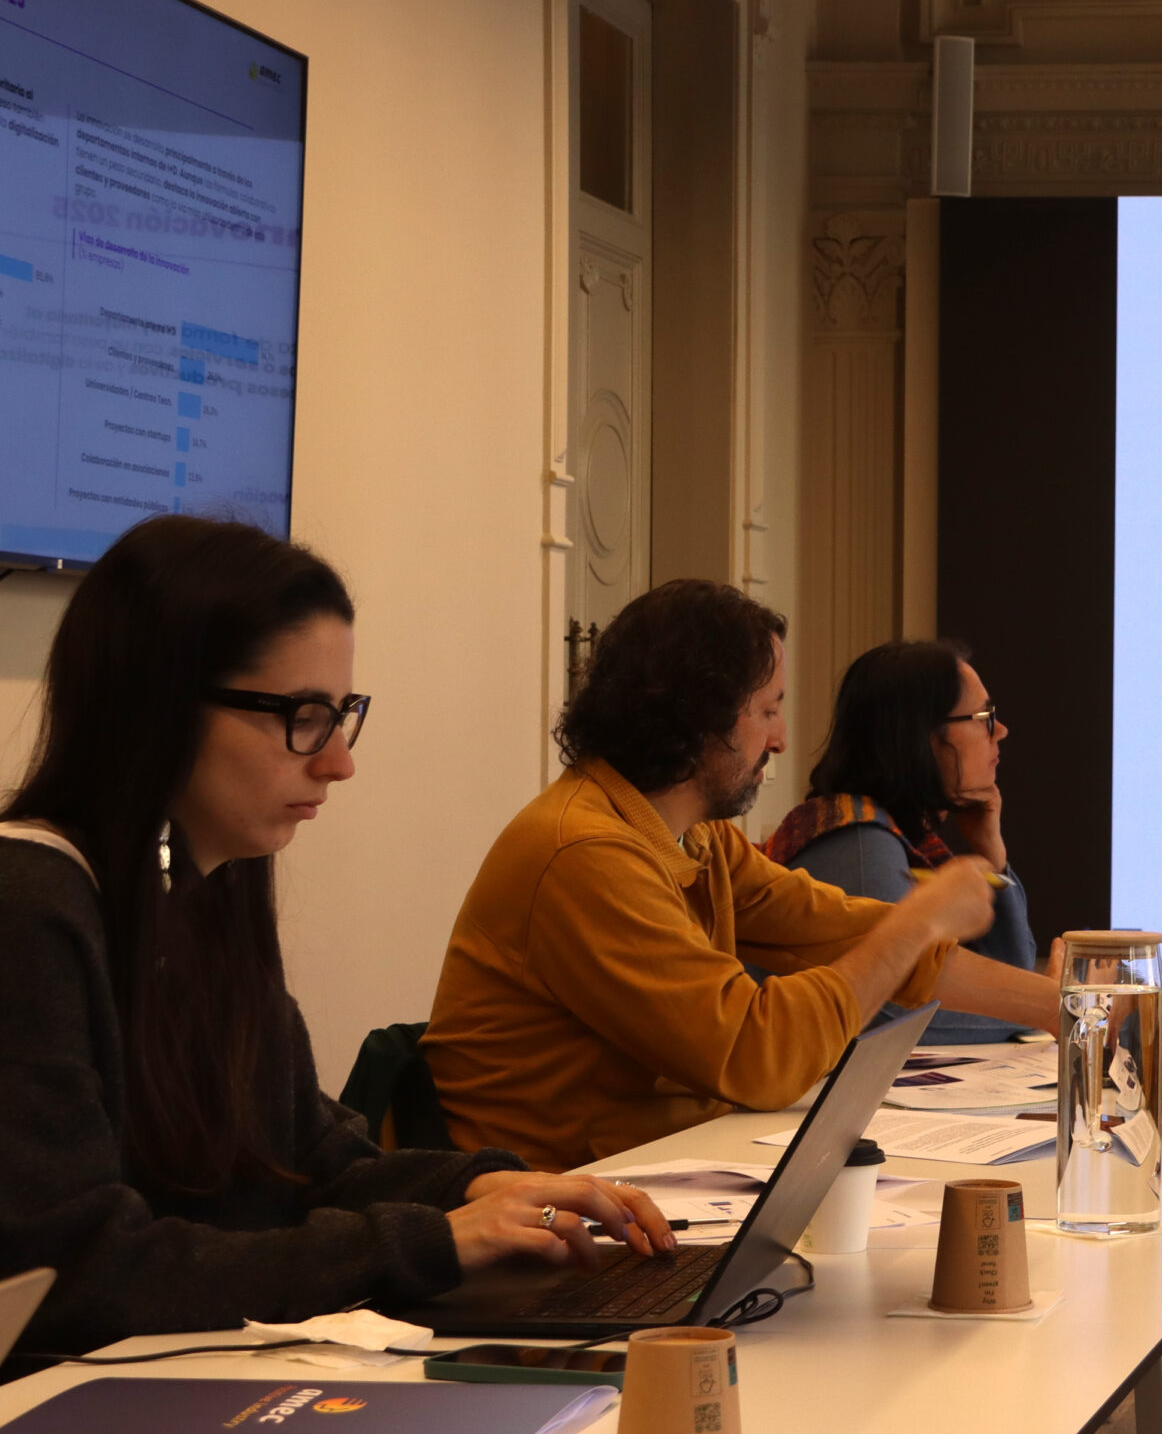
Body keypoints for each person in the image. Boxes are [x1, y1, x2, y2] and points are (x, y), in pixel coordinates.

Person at [0, 517, 670, 1363]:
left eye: (342, 714)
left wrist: (483, 1185)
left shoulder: (204, 886)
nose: (338, 762)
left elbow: (308, 1160)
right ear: (159, 709)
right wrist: (427, 1241)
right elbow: (76, 1273)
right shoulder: (29, 909)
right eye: (304, 716)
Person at [421, 581, 1059, 1173]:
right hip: (567, 1203)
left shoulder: (699, 836)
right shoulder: (586, 853)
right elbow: (756, 1056)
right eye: (768, 710)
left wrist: (1070, 1011)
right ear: (697, 717)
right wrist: (919, 920)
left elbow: (844, 933)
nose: (780, 740)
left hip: (662, 1175)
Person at [765, 640, 1030, 1044]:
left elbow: (1013, 975)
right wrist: (1031, 1011)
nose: (1001, 731)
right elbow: (887, 1012)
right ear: (922, 736)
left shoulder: (908, 840)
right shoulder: (859, 842)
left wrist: (992, 854)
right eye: (984, 717)